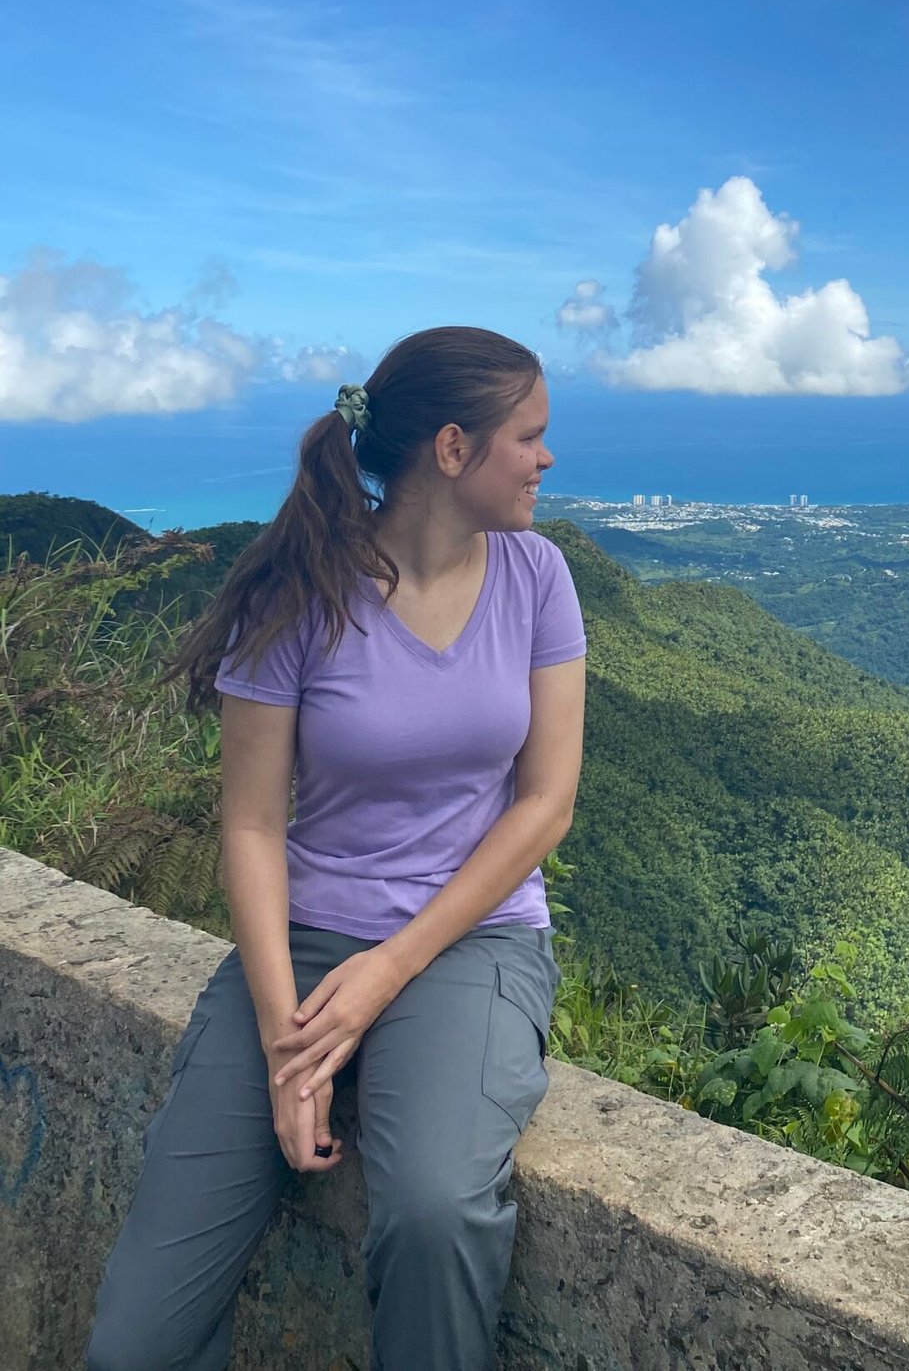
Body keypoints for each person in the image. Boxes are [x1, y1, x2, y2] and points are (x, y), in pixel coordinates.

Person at [86, 325, 587, 1371]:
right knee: (139, 1334)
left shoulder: (539, 579)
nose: (546, 459)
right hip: (301, 945)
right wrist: (285, 1039)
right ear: (451, 449)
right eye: (527, 438)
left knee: (436, 1213)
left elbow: (543, 806)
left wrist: (386, 974)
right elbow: (252, 824)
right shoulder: (298, 591)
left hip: (472, 943)